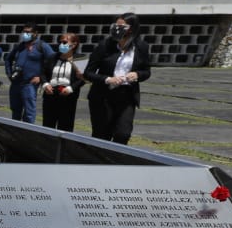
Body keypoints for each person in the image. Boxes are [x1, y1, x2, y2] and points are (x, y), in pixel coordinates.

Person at [84, 12, 152, 144]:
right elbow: (88, 72)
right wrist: (108, 79)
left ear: (132, 28)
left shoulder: (141, 47)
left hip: (126, 95)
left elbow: (147, 71)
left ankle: (117, 160)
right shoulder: (105, 45)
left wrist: (137, 74)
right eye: (116, 25)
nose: (117, 29)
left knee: (123, 133)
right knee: (102, 134)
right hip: (103, 95)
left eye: (122, 26)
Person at [4, 21, 53, 124]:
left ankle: (28, 133)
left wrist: (41, 77)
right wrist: (9, 74)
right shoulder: (19, 46)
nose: (25, 34)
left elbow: (53, 61)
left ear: (35, 33)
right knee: (15, 110)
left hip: (30, 84)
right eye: (24, 32)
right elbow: (8, 59)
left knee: (29, 112)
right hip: (16, 83)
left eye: (28, 32)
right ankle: (15, 131)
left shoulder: (42, 46)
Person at [39, 32, 85, 132]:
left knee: (65, 127)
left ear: (74, 44)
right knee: (48, 125)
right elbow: (42, 73)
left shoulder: (80, 59)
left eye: (64, 42)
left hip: (68, 97)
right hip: (50, 94)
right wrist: (45, 84)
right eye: (60, 42)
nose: (61, 45)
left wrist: (71, 88)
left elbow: (83, 78)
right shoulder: (52, 57)